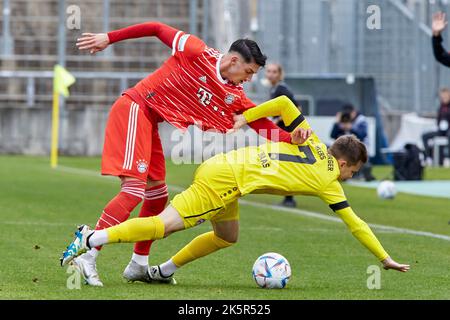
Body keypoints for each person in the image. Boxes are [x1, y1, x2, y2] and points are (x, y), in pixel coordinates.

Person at [61, 96, 410, 284]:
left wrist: (248, 116)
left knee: (227, 236)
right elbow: (356, 224)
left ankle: (162, 271)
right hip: (224, 182)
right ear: (347, 164)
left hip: (227, 172)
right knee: (163, 225)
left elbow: (285, 104)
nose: (351, 177)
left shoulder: (314, 139)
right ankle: (92, 238)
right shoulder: (329, 182)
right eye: (355, 171)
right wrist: (384, 258)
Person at [72, 22, 295, 286]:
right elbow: (155, 28)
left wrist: (294, 139)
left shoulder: (234, 94)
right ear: (233, 60)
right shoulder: (196, 51)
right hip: (134, 107)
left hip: (150, 120)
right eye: (248, 71)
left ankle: (138, 265)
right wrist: (108, 37)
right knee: (133, 191)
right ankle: (87, 256)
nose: (249, 79)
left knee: (157, 196)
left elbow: (263, 125)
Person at [264, 63, 299, 207]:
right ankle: (287, 196)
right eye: (268, 71)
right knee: (281, 164)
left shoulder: (282, 89)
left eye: (274, 72)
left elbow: (296, 107)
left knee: (286, 165)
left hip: (287, 133)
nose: (271, 74)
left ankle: (289, 198)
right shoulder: (275, 89)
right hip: (281, 133)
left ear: (279, 74)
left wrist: (278, 120)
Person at [330, 104, 375, 181]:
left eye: (349, 113)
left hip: (359, 148)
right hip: (344, 150)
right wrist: (337, 124)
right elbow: (333, 135)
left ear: (354, 112)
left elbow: (362, 135)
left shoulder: (361, 120)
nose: (347, 116)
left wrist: (351, 128)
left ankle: (361, 173)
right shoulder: (340, 121)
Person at [422, 88, 450, 166]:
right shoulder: (441, 107)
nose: (444, 98)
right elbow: (438, 119)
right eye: (442, 96)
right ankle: (428, 158)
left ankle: (448, 157)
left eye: (446, 96)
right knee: (425, 136)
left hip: (449, 131)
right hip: (441, 131)